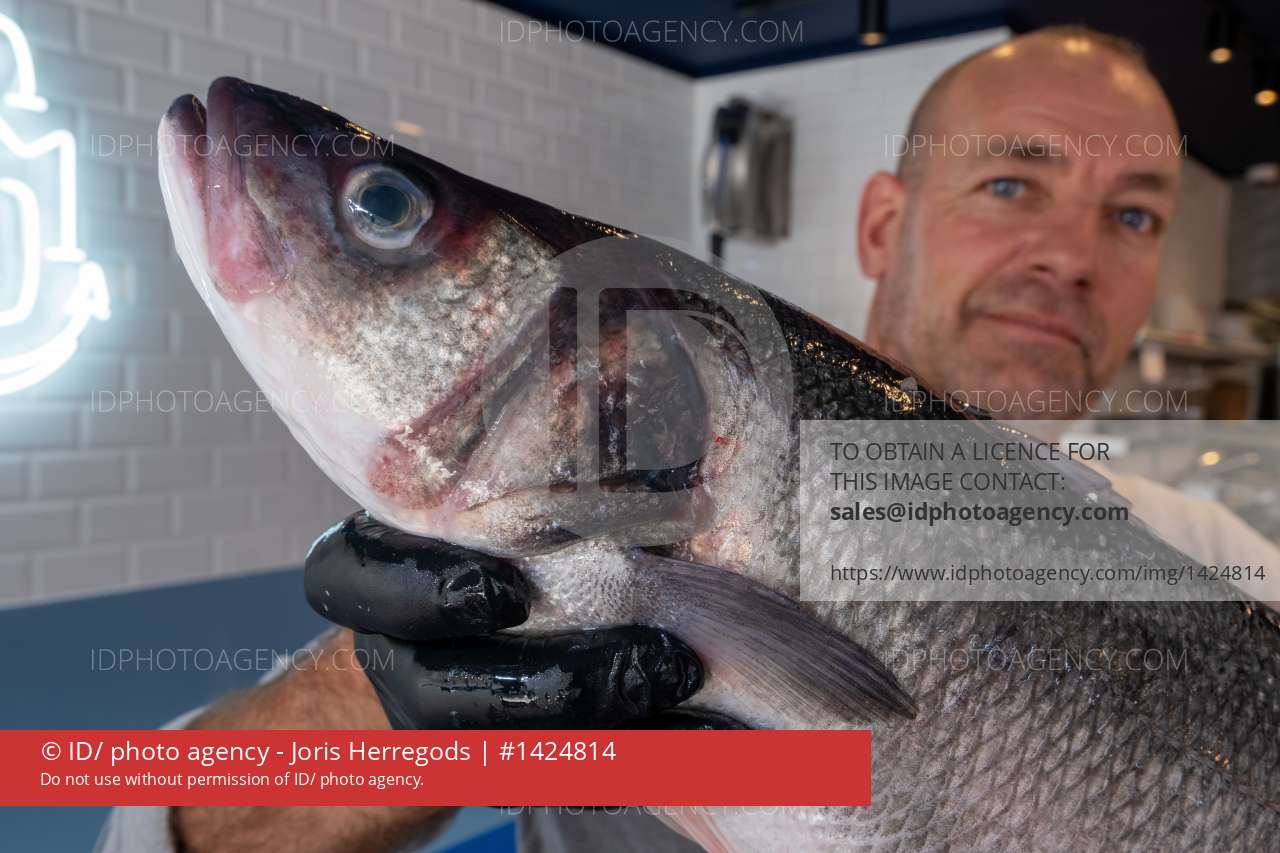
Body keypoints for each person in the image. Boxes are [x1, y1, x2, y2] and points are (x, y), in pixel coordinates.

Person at [98, 24, 1279, 853]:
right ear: (883, 223)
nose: (1069, 255)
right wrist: (385, 697)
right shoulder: (575, 533)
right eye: (1010, 185)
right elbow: (149, 832)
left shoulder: (1222, 564)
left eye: (1133, 215)